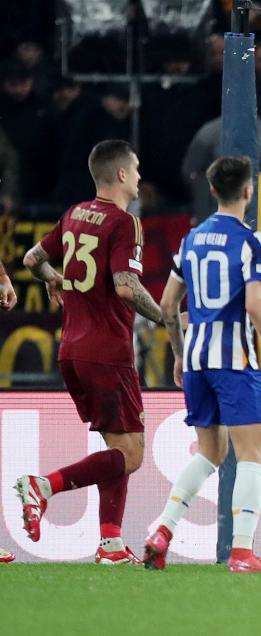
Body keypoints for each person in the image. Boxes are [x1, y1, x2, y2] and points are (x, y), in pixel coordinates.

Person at [144, 156, 261, 572]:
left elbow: (167, 305)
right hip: (233, 361)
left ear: (214, 190)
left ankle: (162, 530)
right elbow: (255, 305)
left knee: (209, 452)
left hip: (197, 358)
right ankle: (241, 552)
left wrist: (181, 354)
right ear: (248, 191)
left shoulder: (190, 241)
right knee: (252, 451)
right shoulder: (254, 242)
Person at [16, 140, 165, 564]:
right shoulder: (124, 223)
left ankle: (111, 545)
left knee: (117, 449)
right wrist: (166, 319)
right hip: (107, 351)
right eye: (135, 169)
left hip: (72, 350)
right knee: (131, 454)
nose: (139, 176)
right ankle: (44, 486)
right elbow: (125, 285)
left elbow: (32, 258)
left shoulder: (74, 214)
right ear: (121, 175)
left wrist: (53, 278)